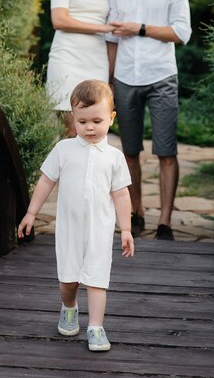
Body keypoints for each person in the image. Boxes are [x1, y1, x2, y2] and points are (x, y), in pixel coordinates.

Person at [18, 79, 134, 352]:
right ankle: (69, 307)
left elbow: (121, 195)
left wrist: (126, 229)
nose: (90, 127)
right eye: (82, 122)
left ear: (111, 118)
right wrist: (31, 213)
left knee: (96, 279)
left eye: (97, 120)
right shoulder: (63, 150)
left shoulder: (114, 157)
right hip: (69, 229)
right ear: (73, 119)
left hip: (99, 231)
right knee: (68, 280)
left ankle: (95, 327)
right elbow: (46, 181)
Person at [106, 0, 192, 240]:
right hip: (126, 78)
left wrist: (140, 28)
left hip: (161, 77)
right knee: (129, 151)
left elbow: (182, 33)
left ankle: (165, 222)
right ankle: (137, 212)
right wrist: (110, 83)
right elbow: (112, 41)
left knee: (166, 151)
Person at [46, 0, 126, 136]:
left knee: (92, 130)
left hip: (96, 61)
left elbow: (113, 39)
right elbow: (59, 20)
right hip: (67, 57)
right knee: (69, 127)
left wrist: (110, 78)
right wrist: (102, 27)